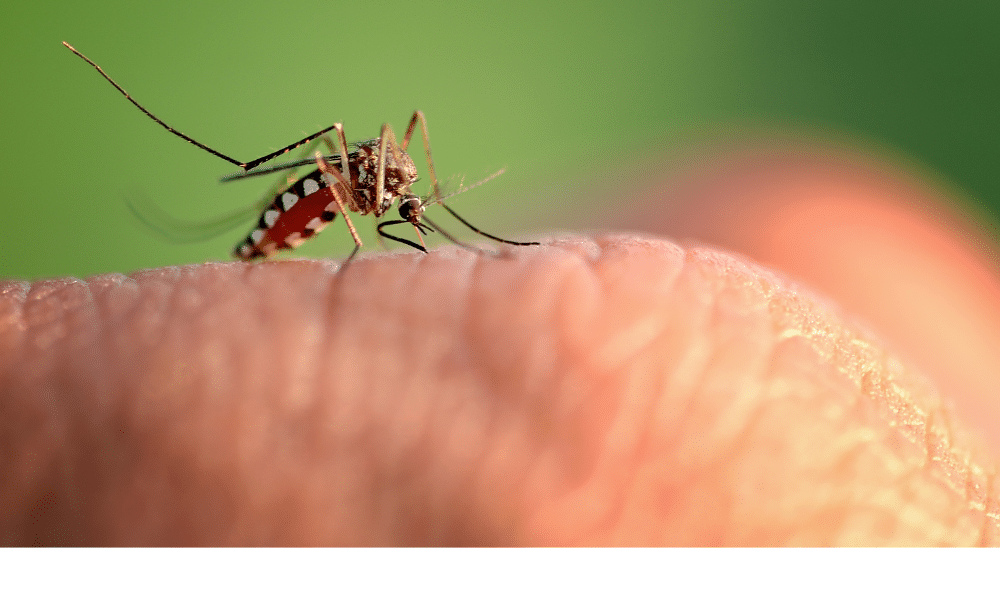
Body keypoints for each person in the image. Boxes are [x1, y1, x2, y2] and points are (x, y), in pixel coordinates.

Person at [1, 142, 997, 545]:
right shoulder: (359, 192)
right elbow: (354, 175)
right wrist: (330, 213)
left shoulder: (399, 194)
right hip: (309, 194)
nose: (407, 205)